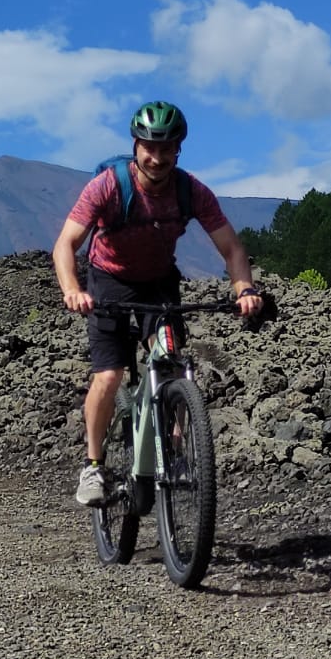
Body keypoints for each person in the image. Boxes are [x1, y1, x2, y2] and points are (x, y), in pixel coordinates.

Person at [52, 100, 264, 505]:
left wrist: (244, 290)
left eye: (167, 149)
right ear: (135, 146)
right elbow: (66, 244)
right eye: (150, 147)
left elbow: (232, 248)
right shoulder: (109, 186)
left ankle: (176, 450)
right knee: (109, 376)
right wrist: (72, 289)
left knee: (171, 364)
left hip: (158, 283)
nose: (157, 157)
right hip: (108, 281)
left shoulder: (191, 191)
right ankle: (94, 467)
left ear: (178, 150)